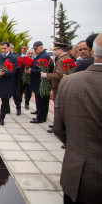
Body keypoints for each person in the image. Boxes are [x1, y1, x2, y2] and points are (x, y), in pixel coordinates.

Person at [53, 33, 102, 204]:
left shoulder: (69, 82)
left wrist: (75, 143)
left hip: (74, 175)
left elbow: (58, 128)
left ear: (93, 51)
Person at [41, 42, 69, 133]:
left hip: (60, 86)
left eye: (56, 50)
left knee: (58, 107)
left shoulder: (62, 60)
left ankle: (58, 127)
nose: (55, 52)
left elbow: (59, 75)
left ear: (60, 50)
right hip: (59, 86)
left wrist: (46, 75)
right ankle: (57, 125)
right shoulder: (63, 58)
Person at [27, 41, 54, 123]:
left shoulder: (44, 56)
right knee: (40, 101)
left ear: (41, 47)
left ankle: (41, 117)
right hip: (38, 82)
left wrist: (32, 70)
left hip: (41, 82)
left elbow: (44, 70)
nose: (35, 51)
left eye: (36, 49)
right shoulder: (40, 55)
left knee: (42, 101)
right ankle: (40, 114)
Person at [18, 45, 32, 110]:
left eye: (31, 53)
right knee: (20, 91)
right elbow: (19, 68)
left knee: (29, 92)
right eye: (29, 53)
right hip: (22, 78)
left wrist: (31, 70)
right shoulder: (23, 59)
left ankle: (27, 103)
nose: (30, 55)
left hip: (30, 79)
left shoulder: (34, 60)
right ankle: (19, 104)